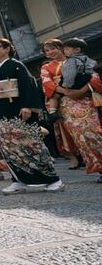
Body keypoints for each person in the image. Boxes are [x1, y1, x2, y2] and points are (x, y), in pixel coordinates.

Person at [0, 38, 64, 194]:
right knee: (9, 149)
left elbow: (29, 86)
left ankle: (54, 179)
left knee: (32, 146)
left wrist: (27, 105)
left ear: (7, 49)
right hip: (1, 115)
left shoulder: (17, 66)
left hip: (19, 113)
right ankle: (18, 180)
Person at [48, 38, 102, 181]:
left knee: (93, 132)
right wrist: (61, 94)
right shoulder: (47, 67)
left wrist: (80, 90)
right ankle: (100, 168)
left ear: (77, 50)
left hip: (85, 100)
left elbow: (94, 78)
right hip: (66, 104)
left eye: (67, 49)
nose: (64, 51)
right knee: (80, 138)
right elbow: (49, 85)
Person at [40, 39, 82, 168]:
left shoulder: (75, 61)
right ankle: (72, 156)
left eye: (53, 48)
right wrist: (64, 91)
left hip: (79, 95)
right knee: (65, 129)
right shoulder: (46, 67)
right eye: (47, 51)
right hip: (60, 97)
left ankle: (87, 153)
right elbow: (47, 82)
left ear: (61, 47)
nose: (50, 52)